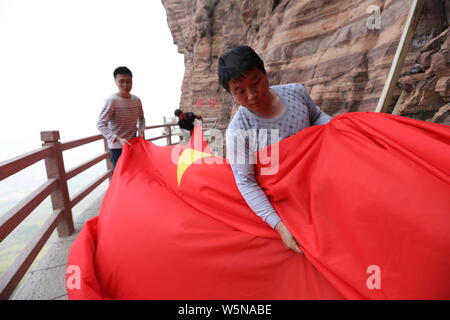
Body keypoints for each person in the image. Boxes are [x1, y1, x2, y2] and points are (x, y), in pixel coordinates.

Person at [219, 45, 331, 254]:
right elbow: (246, 182)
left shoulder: (295, 93)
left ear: (265, 73)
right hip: (292, 205)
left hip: (323, 180)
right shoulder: (238, 131)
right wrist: (280, 226)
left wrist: (338, 129)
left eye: (256, 82)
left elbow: (316, 116)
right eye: (240, 91)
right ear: (230, 93)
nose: (252, 95)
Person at [97, 66, 146, 169]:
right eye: (121, 81)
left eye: (128, 81)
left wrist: (141, 132)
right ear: (116, 82)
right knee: (121, 177)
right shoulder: (111, 101)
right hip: (117, 148)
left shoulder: (137, 100)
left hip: (133, 144)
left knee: (136, 174)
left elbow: (141, 118)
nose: (125, 85)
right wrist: (118, 139)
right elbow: (100, 124)